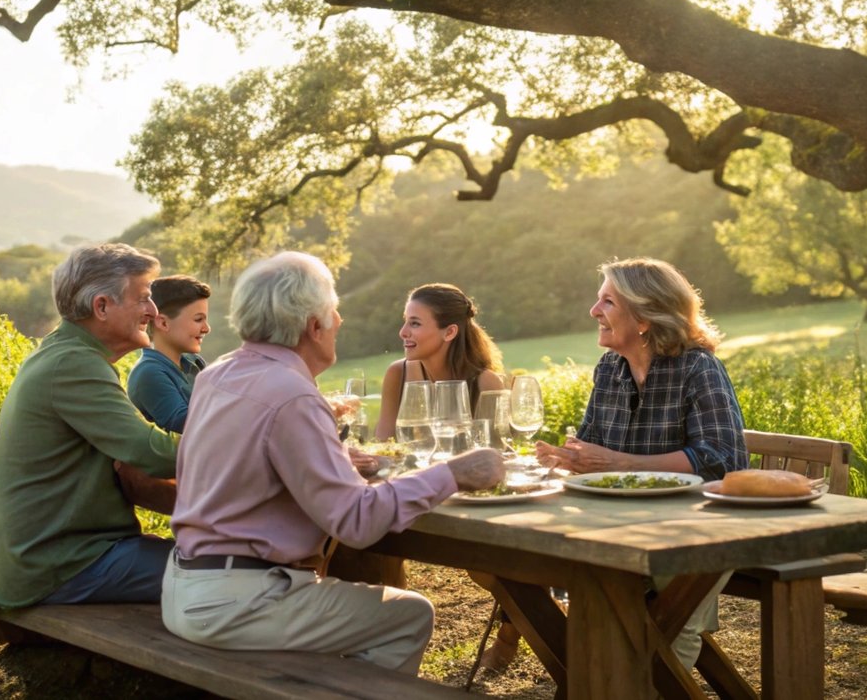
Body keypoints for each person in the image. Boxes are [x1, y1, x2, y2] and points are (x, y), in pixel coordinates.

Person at [162, 252, 504, 674]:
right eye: (334, 311)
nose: (339, 322)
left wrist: (337, 461)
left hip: (184, 586)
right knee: (409, 615)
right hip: (240, 602)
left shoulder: (219, 372)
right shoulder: (293, 393)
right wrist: (454, 473)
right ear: (314, 325)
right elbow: (356, 523)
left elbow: (252, 459)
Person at [521, 257, 750, 671]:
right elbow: (592, 446)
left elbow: (722, 460)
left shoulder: (698, 368)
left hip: (699, 530)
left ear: (644, 316)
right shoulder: (610, 369)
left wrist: (619, 463)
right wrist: (570, 457)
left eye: (607, 302)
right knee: (595, 599)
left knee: (671, 625)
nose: (594, 312)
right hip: (622, 525)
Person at [0, 243, 180, 628]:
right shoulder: (73, 364)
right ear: (102, 306)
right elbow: (151, 452)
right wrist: (245, 446)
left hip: (57, 556)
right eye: (143, 298)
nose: (154, 312)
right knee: (226, 573)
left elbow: (135, 464)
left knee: (212, 561)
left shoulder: (67, 353)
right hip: (60, 565)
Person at [374, 283, 508, 440]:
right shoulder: (397, 373)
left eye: (415, 323)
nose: (403, 332)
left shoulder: (485, 383)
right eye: (406, 321)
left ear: (450, 332)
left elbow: (496, 453)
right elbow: (383, 445)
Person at [127, 274, 212, 433]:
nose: (206, 328)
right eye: (198, 319)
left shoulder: (194, 361)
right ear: (163, 323)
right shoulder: (149, 373)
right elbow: (186, 426)